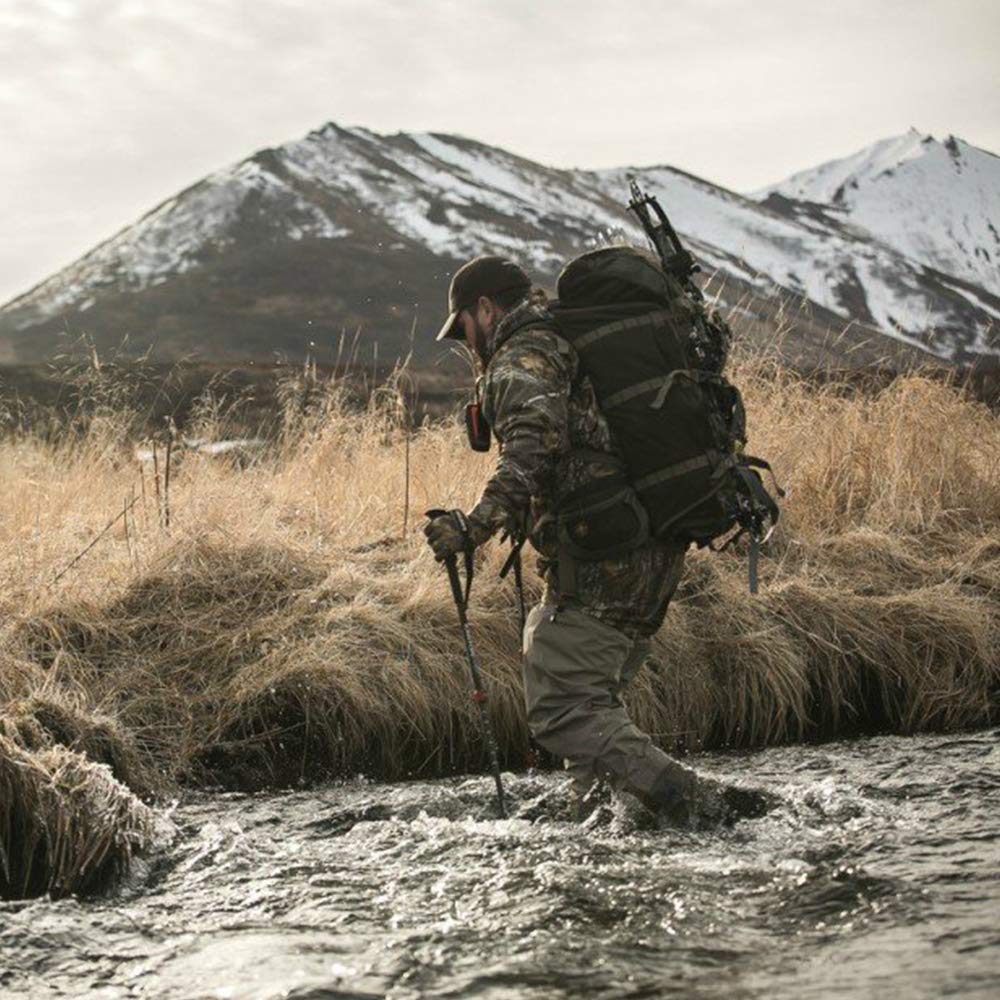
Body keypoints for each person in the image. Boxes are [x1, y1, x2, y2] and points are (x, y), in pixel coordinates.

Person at [425, 255, 769, 826]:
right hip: (649, 545)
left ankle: (698, 806)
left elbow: (531, 447)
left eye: (462, 327)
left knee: (564, 711)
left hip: (606, 557)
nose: (465, 343)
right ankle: (604, 830)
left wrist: (474, 527)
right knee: (590, 711)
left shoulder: (525, 355)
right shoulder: (568, 335)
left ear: (485, 309)